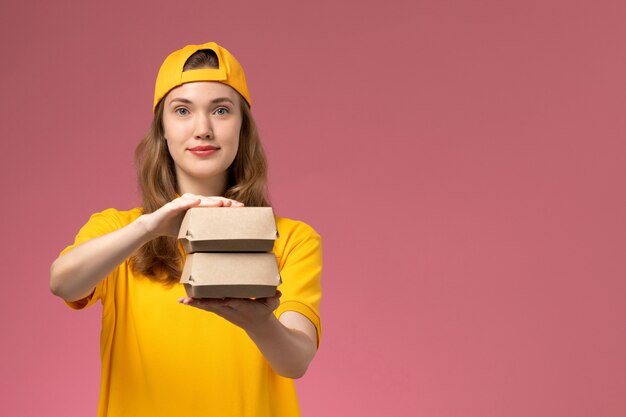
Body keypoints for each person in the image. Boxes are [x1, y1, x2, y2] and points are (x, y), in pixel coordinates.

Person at [49, 41, 322, 417]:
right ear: (162, 129)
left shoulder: (291, 239)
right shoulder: (120, 230)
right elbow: (63, 283)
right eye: (182, 111)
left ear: (243, 128)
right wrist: (150, 227)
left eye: (221, 111)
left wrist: (260, 322)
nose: (203, 129)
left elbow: (296, 362)